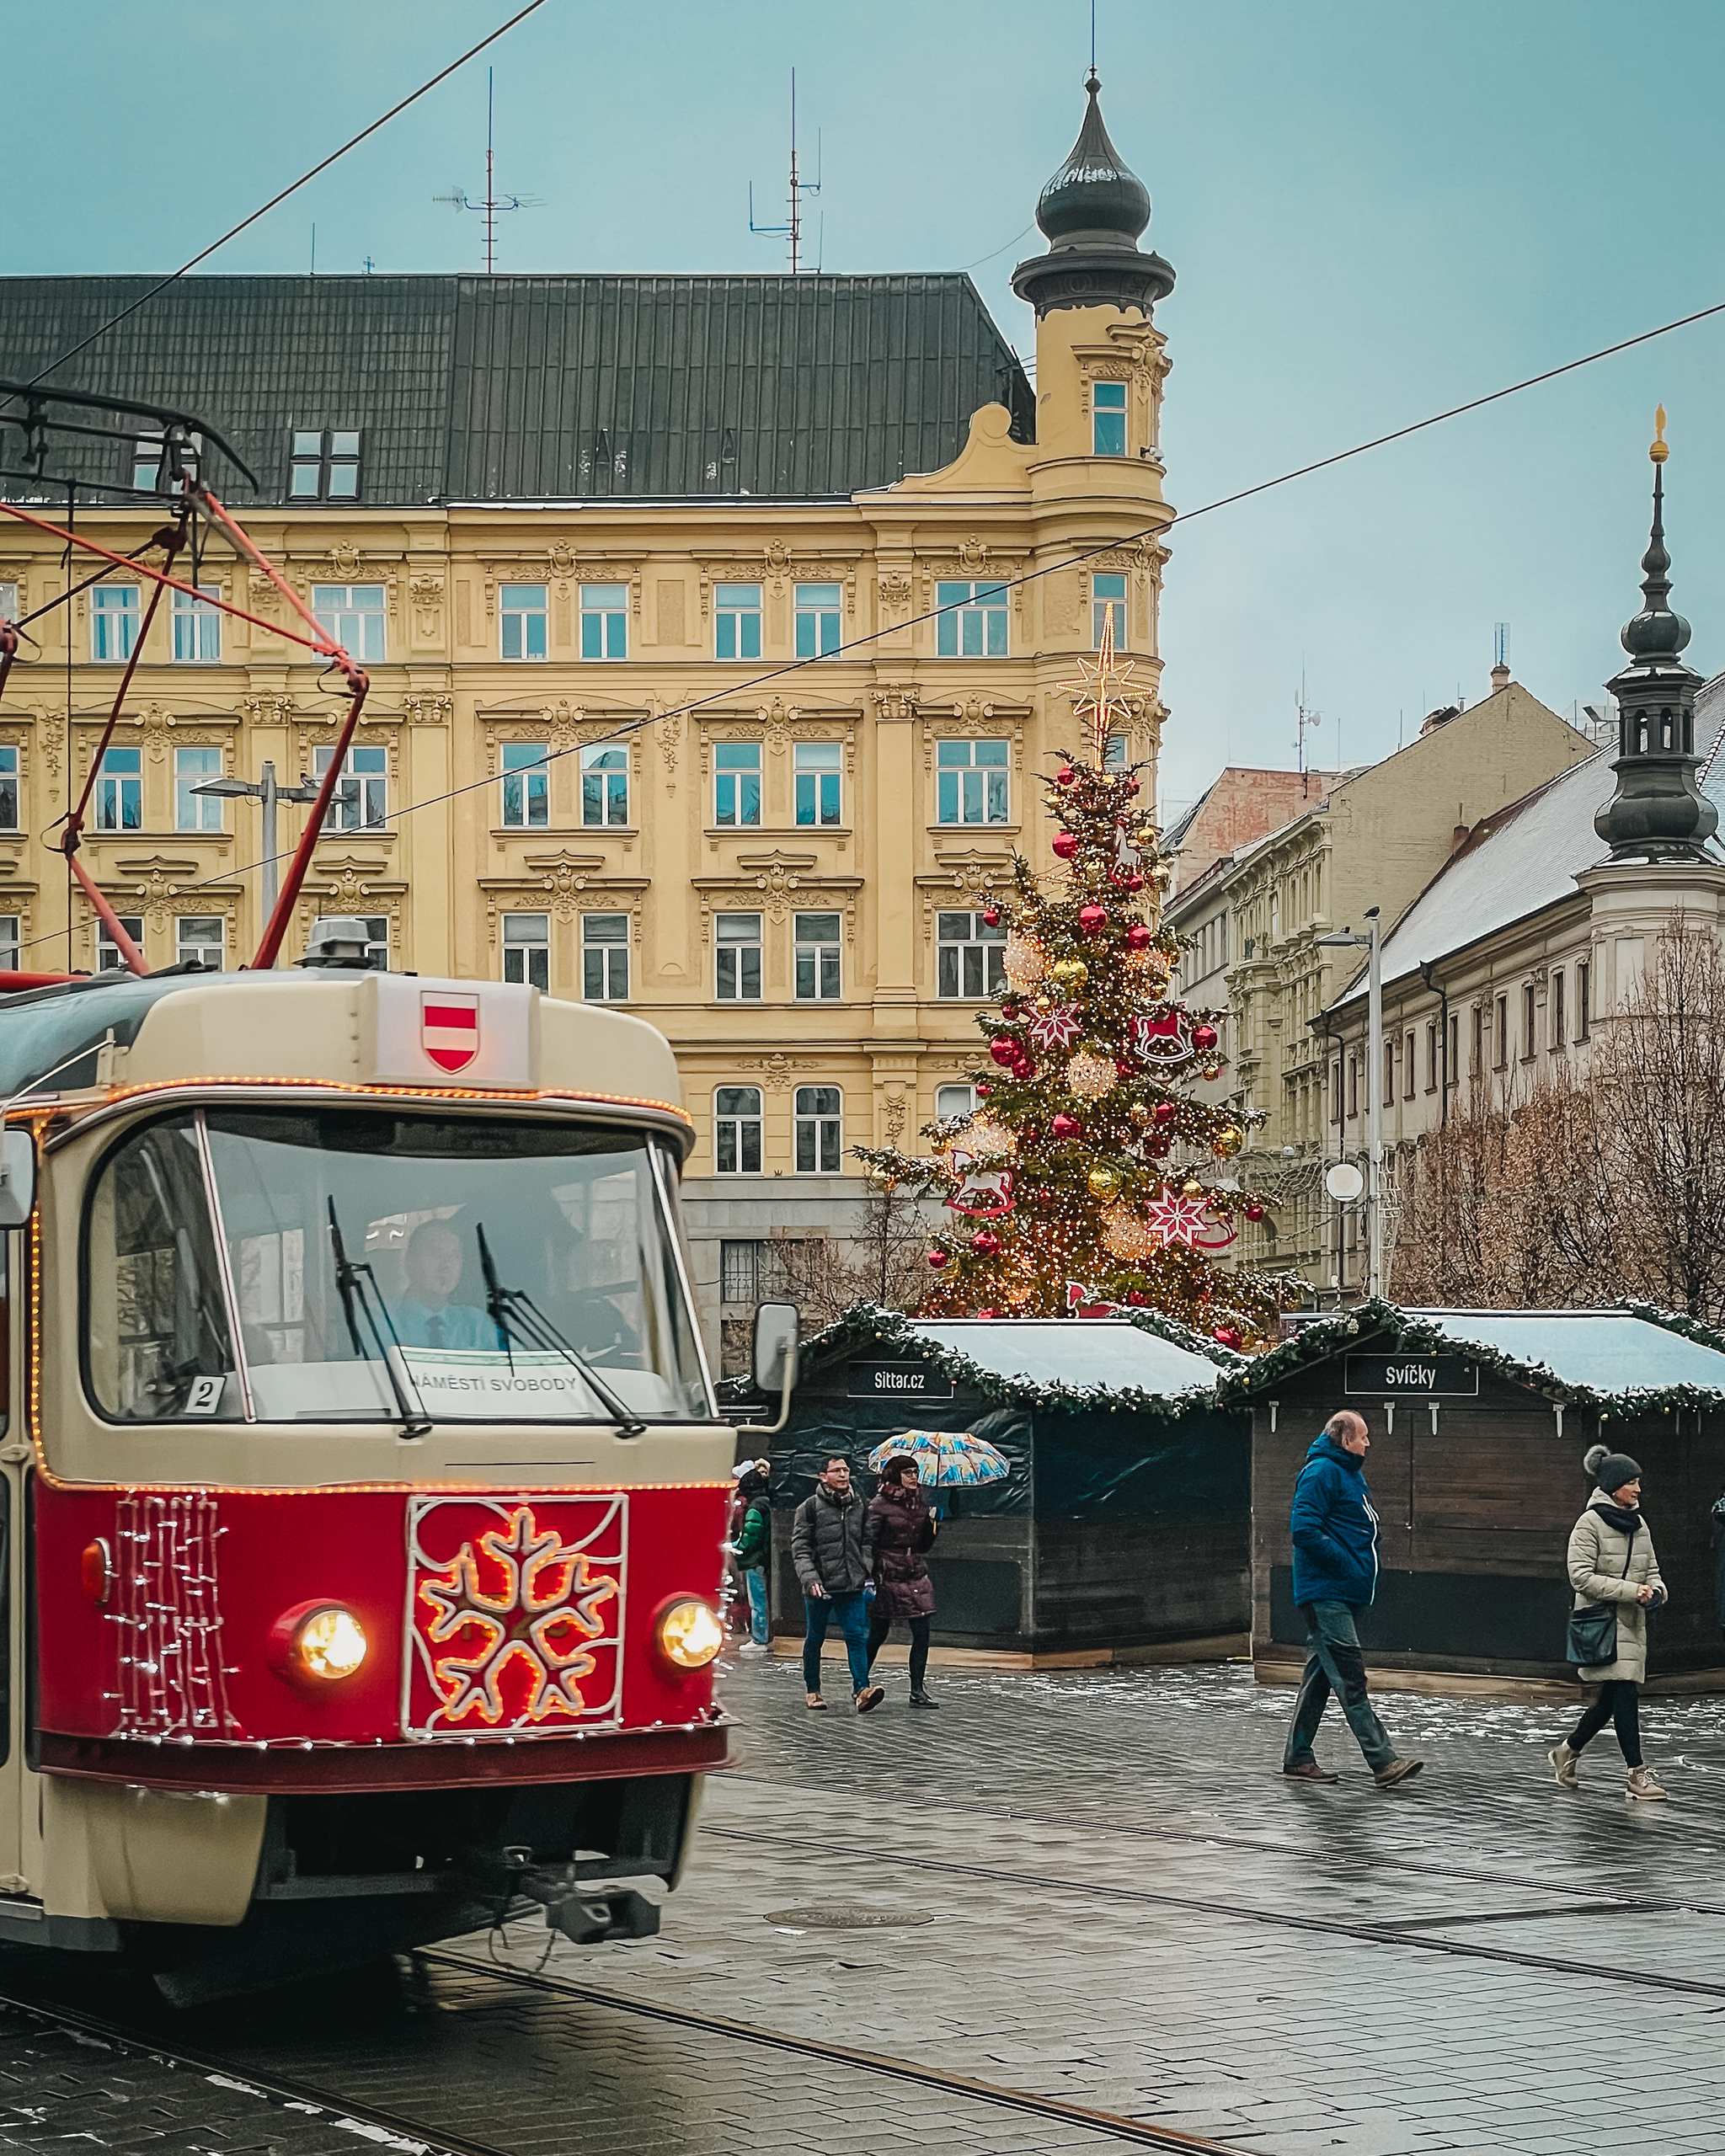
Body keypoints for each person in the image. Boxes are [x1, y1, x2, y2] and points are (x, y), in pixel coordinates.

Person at [1282, 1410, 1423, 1790]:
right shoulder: (1322, 1472)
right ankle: (1383, 1761)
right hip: (1327, 1593)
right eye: (1363, 1436)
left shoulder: (1347, 1474)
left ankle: (1298, 1758)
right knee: (1349, 1675)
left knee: (1320, 1677)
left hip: (1341, 1592)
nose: (1368, 1442)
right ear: (1345, 1441)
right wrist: (1346, 1565)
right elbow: (1303, 1529)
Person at [1549, 1444, 1669, 1801]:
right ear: (1614, 1485)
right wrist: (1632, 1591)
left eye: (1638, 1482)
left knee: (1611, 1700)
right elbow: (1580, 1577)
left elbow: (1653, 1571)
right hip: (1602, 1624)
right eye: (1631, 1483)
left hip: (1632, 1625)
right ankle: (1636, 1775)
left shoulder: (1640, 1524)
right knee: (1625, 1693)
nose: (1637, 1489)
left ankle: (1567, 1751)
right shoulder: (1589, 1523)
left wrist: (1657, 1592)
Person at [791, 1455, 884, 1714]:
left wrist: (865, 1566)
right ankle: (813, 1690)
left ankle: (862, 1690)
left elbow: (868, 1540)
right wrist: (810, 1579)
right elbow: (801, 1549)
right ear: (824, 1476)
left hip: (852, 1585)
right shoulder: (809, 1508)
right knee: (815, 1639)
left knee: (856, 1636)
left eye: (846, 1470)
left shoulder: (860, 1505)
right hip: (821, 1586)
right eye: (837, 1470)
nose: (844, 1475)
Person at [865, 1454, 939, 1707]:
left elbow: (923, 1545)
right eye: (908, 1473)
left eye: (916, 1472)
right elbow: (869, 1541)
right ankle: (860, 1685)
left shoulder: (918, 1503)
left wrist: (931, 1525)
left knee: (922, 1630)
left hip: (914, 1571)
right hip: (888, 1574)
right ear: (895, 1475)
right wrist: (870, 1576)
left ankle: (917, 1690)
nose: (913, 1477)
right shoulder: (879, 1505)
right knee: (878, 1632)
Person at [393, 1221, 499, 1349]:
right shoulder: (385, 1324)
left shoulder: (476, 1324)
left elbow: (518, 1362)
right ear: (410, 1263)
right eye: (436, 1253)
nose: (447, 1264)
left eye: (454, 1255)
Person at [730, 1461, 773, 1657]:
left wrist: (735, 1546)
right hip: (763, 1559)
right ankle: (762, 1636)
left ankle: (759, 1638)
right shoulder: (766, 1501)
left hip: (755, 1561)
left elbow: (750, 1536)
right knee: (762, 1599)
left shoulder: (755, 1507)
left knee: (757, 1600)